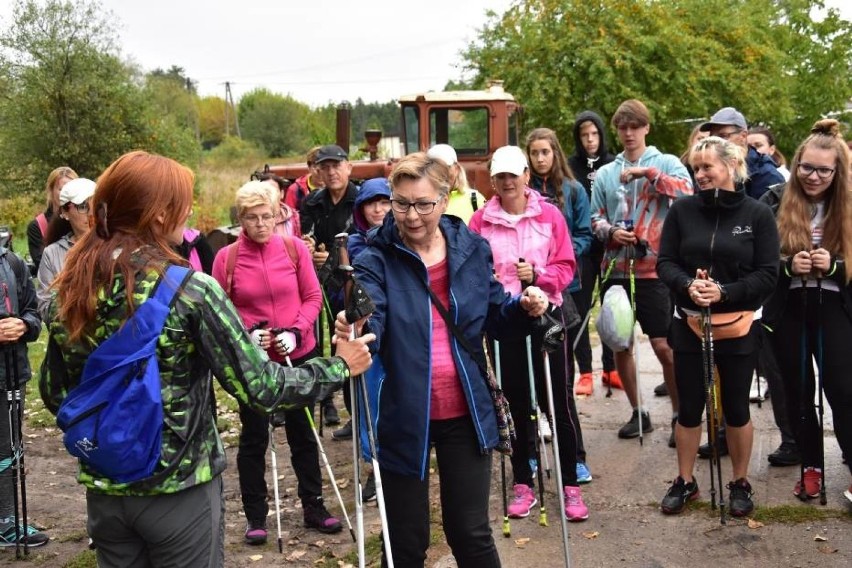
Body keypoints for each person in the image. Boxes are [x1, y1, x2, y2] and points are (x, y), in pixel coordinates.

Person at [40, 150, 373, 567]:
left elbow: (55, 393)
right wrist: (340, 365)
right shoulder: (190, 291)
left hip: (106, 493)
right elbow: (263, 388)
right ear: (160, 216)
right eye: (183, 203)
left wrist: (112, 434)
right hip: (180, 491)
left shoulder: (67, 290)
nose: (190, 212)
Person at [336, 152, 550, 567]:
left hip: (465, 410)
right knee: (405, 542)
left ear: (445, 198)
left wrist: (523, 308)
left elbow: (494, 318)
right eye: (401, 203)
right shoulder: (374, 258)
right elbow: (371, 313)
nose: (411, 215)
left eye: (422, 204)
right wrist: (356, 325)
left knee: (470, 534)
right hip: (402, 411)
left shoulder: (471, 249)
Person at [212, 180, 343, 540]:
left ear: (277, 215)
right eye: (252, 218)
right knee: (254, 437)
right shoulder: (227, 258)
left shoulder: (293, 249)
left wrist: (296, 332)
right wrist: (248, 333)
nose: (260, 224)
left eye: (266, 216)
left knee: (304, 433)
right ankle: (256, 516)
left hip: (297, 352)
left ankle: (314, 506)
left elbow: (313, 296)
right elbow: (222, 308)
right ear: (240, 219)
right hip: (254, 360)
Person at [657, 136, 779, 517]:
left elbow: (768, 274)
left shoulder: (757, 214)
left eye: (707, 166)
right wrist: (687, 285)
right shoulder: (681, 211)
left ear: (731, 165)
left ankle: (740, 481)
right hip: (690, 322)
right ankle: (685, 480)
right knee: (690, 407)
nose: (700, 174)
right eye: (696, 168)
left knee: (737, 407)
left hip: (739, 325)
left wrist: (725, 292)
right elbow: (666, 262)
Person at [470, 145, 587, 521]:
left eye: (513, 175)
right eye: (499, 176)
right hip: (504, 319)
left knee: (559, 402)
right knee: (516, 404)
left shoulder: (549, 214)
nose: (507, 182)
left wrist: (538, 279)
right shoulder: (480, 221)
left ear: (525, 176)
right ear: (493, 180)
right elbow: (473, 270)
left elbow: (566, 264)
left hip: (547, 313)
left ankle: (570, 484)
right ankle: (523, 480)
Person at [590, 99, 692, 445]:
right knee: (621, 343)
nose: (629, 133)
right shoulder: (605, 173)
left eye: (635, 126)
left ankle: (682, 417)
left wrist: (647, 174)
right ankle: (638, 412)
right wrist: (610, 232)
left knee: (664, 346)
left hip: (656, 272)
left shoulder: (666, 163)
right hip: (616, 271)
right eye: (623, 127)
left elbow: (687, 193)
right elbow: (594, 218)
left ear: (647, 127)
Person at [764, 119, 852, 503]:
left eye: (823, 170)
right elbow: (758, 261)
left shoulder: (848, 203)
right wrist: (787, 266)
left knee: (842, 389)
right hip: (790, 306)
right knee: (798, 392)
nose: (813, 176)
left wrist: (834, 266)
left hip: (835, 304)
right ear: (796, 163)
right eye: (806, 167)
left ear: (838, 172)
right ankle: (811, 467)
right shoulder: (774, 198)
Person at [696, 108, 786, 459]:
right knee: (719, 370)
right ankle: (719, 432)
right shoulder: (709, 171)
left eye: (726, 133)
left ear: (744, 136)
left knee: (773, 366)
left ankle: (791, 437)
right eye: (713, 133)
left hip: (765, 284)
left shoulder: (767, 176)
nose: (719, 139)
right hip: (719, 293)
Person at [524, 128, 594, 482]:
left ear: (556, 154)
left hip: (564, 286)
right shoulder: (521, 191)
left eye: (545, 152)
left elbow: (583, 234)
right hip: (524, 291)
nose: (540, 159)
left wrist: (558, 257)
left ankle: (575, 455)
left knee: (560, 379)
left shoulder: (574, 190)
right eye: (534, 153)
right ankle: (532, 450)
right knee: (528, 379)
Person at [300, 144, 360, 428]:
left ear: (348, 167)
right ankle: (328, 402)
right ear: (318, 172)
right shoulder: (312, 202)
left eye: (337, 165)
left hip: (354, 282)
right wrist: (309, 249)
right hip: (322, 282)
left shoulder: (360, 199)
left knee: (353, 340)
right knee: (326, 341)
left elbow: (363, 238)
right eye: (325, 167)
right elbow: (307, 236)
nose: (332, 171)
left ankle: (356, 411)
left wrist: (333, 257)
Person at [567, 111, 620, 391]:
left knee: (611, 308)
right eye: (584, 135)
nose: (590, 140)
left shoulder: (614, 164)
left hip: (610, 246)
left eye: (594, 134)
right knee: (581, 308)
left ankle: (611, 367)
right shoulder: (569, 166)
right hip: (582, 249)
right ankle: (585, 371)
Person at [0, 244, 47, 547]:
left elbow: (34, 312)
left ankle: (5, 521)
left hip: (12, 372)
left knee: (8, 450)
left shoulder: (12, 261)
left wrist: (25, 324)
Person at [36, 178, 96, 321]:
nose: (90, 213)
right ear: (64, 212)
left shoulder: (116, 245)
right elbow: (44, 307)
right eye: (82, 206)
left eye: (96, 204)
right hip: (71, 337)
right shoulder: (52, 253)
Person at [699, 107, 785, 200]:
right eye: (712, 137)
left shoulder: (768, 176)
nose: (716, 142)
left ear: (743, 136)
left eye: (723, 136)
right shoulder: (705, 172)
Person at [27, 166, 77, 273]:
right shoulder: (37, 226)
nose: (66, 193)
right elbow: (42, 265)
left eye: (70, 189)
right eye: (61, 189)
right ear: (51, 190)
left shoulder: (83, 221)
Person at [426, 144, 484, 223]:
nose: (442, 173)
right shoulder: (419, 201)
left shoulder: (475, 199)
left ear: (456, 169)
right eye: (436, 168)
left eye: (446, 167)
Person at [258, 172, 301, 237]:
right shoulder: (254, 218)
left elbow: (298, 240)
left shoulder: (293, 217)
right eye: (265, 191)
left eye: (273, 190)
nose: (269, 194)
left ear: (282, 194)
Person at [285, 146, 324, 211]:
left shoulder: (335, 187)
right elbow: (289, 218)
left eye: (323, 167)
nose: (319, 172)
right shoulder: (295, 190)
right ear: (309, 167)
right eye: (315, 167)